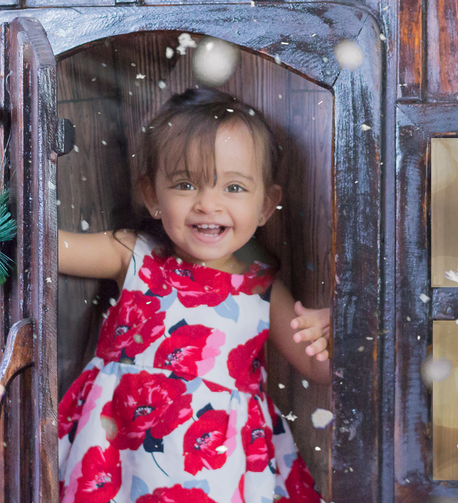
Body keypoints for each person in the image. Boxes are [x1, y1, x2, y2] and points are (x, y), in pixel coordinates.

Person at [55, 87, 330, 503]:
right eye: (186, 184)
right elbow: (52, 249)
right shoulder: (135, 256)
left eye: (234, 188)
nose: (208, 204)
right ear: (152, 195)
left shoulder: (263, 289)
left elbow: (320, 369)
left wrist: (338, 329)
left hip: (218, 468)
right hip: (118, 454)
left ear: (266, 205)